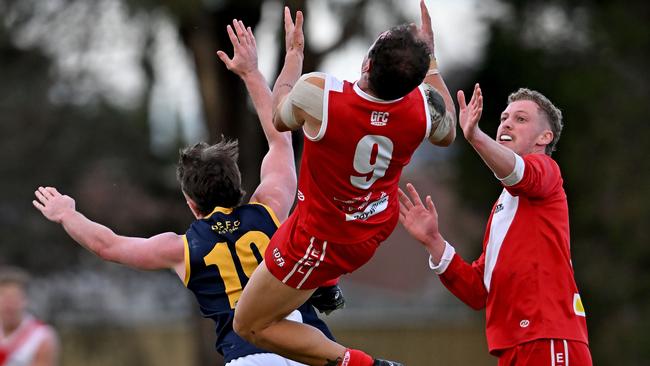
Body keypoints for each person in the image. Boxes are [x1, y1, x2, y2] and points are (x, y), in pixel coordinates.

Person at [32, 19, 337, 366]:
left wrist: (66, 213)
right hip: (308, 346)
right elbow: (279, 138)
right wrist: (250, 72)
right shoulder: (269, 208)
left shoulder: (181, 249)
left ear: (191, 204)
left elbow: (107, 245)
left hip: (248, 357)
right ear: (238, 186)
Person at [232, 2, 456, 365]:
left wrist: (293, 56)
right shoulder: (422, 109)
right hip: (375, 223)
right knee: (293, 222)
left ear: (367, 63)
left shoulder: (319, 95)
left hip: (322, 237)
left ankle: (358, 362)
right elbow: (449, 131)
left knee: (248, 323)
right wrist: (431, 64)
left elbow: (278, 115)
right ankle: (325, 283)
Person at [398, 84, 592, 365]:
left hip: (547, 337)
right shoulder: (503, 205)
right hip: (513, 345)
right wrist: (434, 242)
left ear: (544, 137)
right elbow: (478, 291)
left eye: (520, 119)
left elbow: (520, 174)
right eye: (504, 118)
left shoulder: (546, 171)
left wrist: (475, 136)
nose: (507, 123)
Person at [0, 266, 59, 366]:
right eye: (4, 296)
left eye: (14, 297)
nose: (9, 304)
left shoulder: (41, 336)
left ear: (25, 299)